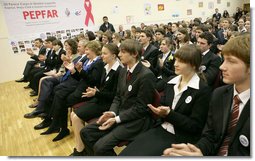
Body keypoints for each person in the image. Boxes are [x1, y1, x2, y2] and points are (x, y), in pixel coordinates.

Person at [163, 34, 250, 156]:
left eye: (231, 61)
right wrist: (198, 150)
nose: (222, 66)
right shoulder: (220, 94)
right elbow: (210, 135)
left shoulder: (206, 90)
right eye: (224, 60)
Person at [119, 44, 211, 156]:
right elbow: (163, 105)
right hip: (160, 129)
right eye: (176, 60)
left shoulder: (202, 90)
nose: (175, 64)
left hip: (180, 137)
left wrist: (169, 114)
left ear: (193, 65)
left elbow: (195, 126)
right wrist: (160, 112)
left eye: (180, 62)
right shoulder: (171, 82)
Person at [79, 39, 156, 156]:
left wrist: (117, 118)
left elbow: (141, 108)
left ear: (134, 54)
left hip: (135, 122)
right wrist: (112, 113)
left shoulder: (146, 75)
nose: (119, 55)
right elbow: (118, 96)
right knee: (86, 132)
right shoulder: (124, 70)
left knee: (100, 147)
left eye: (123, 52)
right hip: (120, 115)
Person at [69, 43, 123, 156]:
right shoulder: (105, 66)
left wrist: (96, 93)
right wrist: (93, 92)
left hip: (107, 104)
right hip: (99, 99)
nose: (102, 56)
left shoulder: (119, 71)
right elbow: (99, 85)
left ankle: (80, 150)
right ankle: (80, 148)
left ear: (113, 55)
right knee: (73, 115)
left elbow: (115, 96)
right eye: (102, 53)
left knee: (76, 117)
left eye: (104, 53)